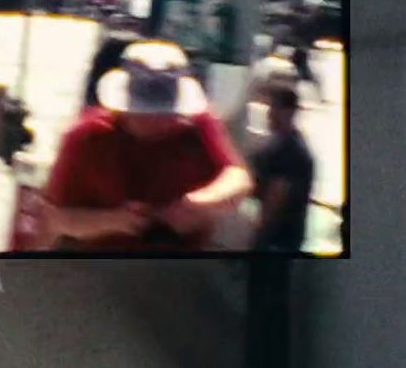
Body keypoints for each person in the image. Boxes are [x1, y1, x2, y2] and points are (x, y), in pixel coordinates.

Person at [44, 40, 252, 252]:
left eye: (167, 113)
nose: (161, 121)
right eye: (148, 114)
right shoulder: (85, 137)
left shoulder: (199, 125)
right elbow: (56, 219)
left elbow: (238, 179)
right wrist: (116, 221)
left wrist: (195, 203)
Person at [249, 80, 315, 252]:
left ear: (289, 111)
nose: (269, 114)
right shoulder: (280, 143)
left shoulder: (290, 151)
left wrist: (256, 236)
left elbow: (275, 198)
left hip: (278, 241)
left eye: (274, 108)